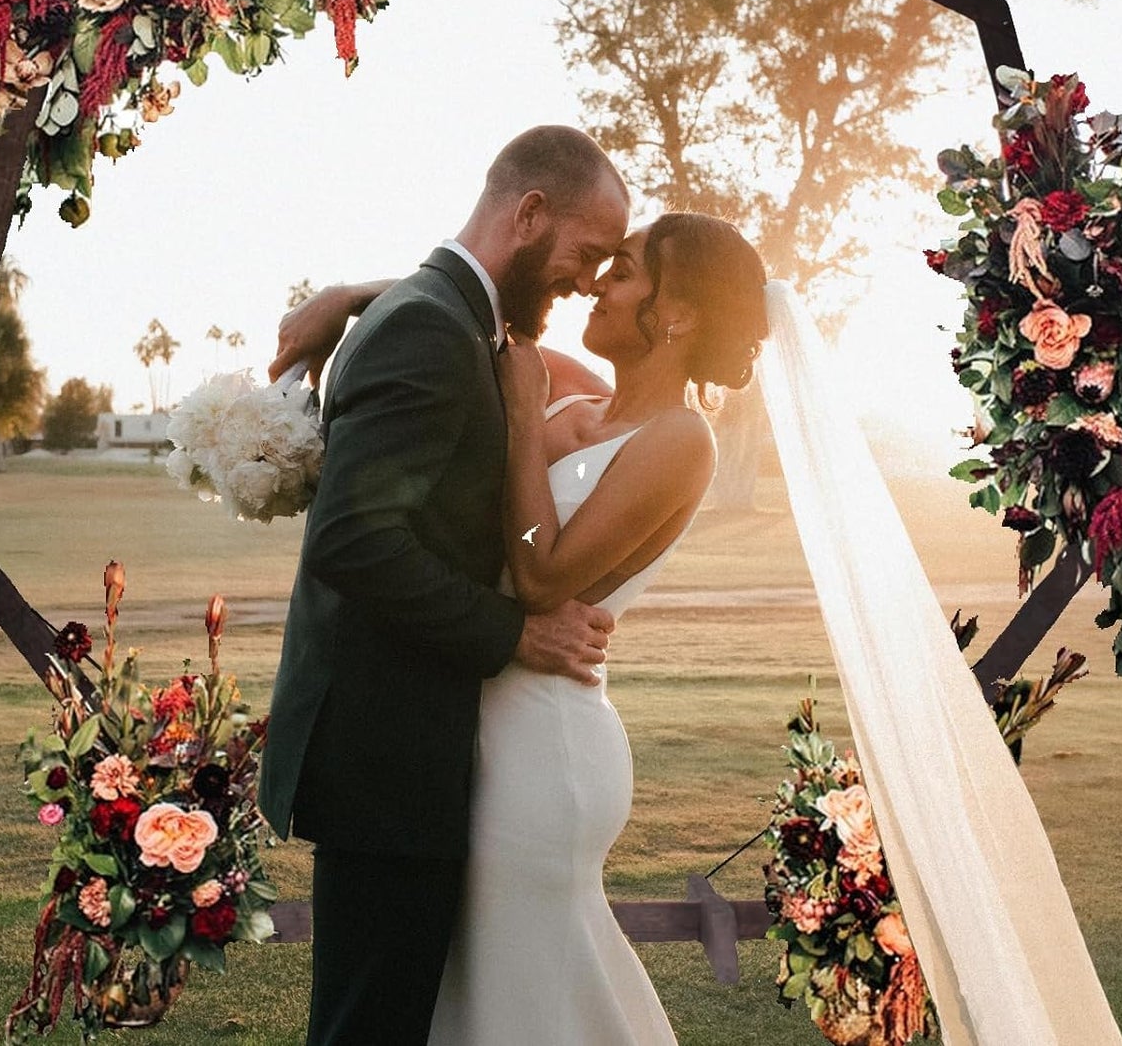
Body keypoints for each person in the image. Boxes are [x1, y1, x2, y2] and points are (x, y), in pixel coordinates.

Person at [277, 212, 770, 1045]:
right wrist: (350, 294)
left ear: (677, 313)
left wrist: (518, 413)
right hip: (476, 720)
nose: (596, 284)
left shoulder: (681, 440)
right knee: (473, 983)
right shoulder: (577, 389)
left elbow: (544, 571)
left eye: (624, 270)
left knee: (524, 981)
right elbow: (472, 310)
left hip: (546, 746)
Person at [257, 124, 631, 1046]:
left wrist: (347, 290)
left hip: (398, 747)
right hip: (387, 753)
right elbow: (353, 538)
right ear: (530, 212)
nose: (586, 281)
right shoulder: (431, 325)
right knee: (367, 1026)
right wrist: (515, 633)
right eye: (585, 255)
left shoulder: (446, 313)